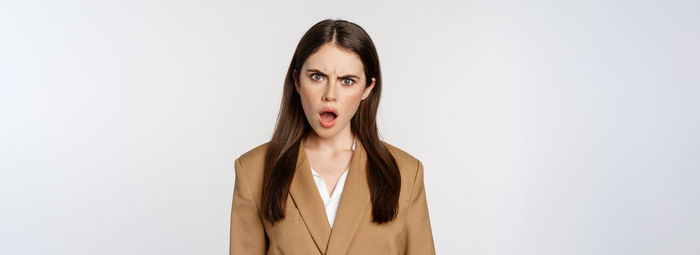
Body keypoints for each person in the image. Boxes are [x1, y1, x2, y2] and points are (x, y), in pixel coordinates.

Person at [230, 19, 435, 255]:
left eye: (347, 81)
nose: (330, 95)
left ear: (368, 88)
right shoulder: (253, 170)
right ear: (297, 81)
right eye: (317, 77)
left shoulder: (406, 172)